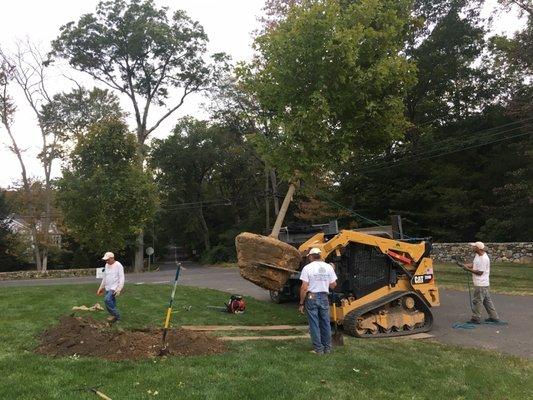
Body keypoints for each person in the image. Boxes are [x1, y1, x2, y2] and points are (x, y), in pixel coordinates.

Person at [299, 247, 337, 354]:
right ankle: (327, 348)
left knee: (314, 324)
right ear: (320, 256)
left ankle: (318, 349)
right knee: (325, 323)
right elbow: (333, 285)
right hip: (324, 297)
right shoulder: (329, 267)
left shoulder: (307, 268)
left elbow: (304, 287)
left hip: (312, 297)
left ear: (311, 256)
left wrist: (301, 303)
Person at [462, 242, 500, 324]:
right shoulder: (478, 255)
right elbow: (475, 264)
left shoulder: (484, 258)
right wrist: (466, 265)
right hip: (483, 284)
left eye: (474, 247)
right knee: (487, 301)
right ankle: (494, 317)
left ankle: (475, 318)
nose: (472, 248)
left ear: (478, 248)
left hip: (481, 284)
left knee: (477, 301)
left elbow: (480, 272)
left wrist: (467, 269)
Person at [97, 252, 125, 323]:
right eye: (105, 260)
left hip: (114, 287)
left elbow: (122, 278)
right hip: (107, 287)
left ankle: (117, 316)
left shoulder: (118, 265)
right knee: (110, 302)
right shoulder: (107, 265)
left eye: (108, 260)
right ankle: (113, 316)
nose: (106, 261)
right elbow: (105, 277)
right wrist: (101, 287)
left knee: (107, 300)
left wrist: (119, 289)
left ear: (112, 258)